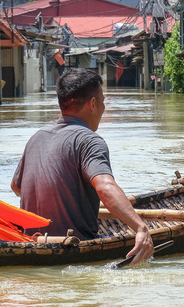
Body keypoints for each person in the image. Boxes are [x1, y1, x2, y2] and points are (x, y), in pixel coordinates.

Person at [11, 68, 154, 265]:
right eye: (102, 101)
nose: (103, 108)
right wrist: (140, 228)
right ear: (93, 104)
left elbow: (17, 188)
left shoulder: (37, 137)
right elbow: (104, 187)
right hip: (73, 248)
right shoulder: (89, 141)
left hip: (30, 244)